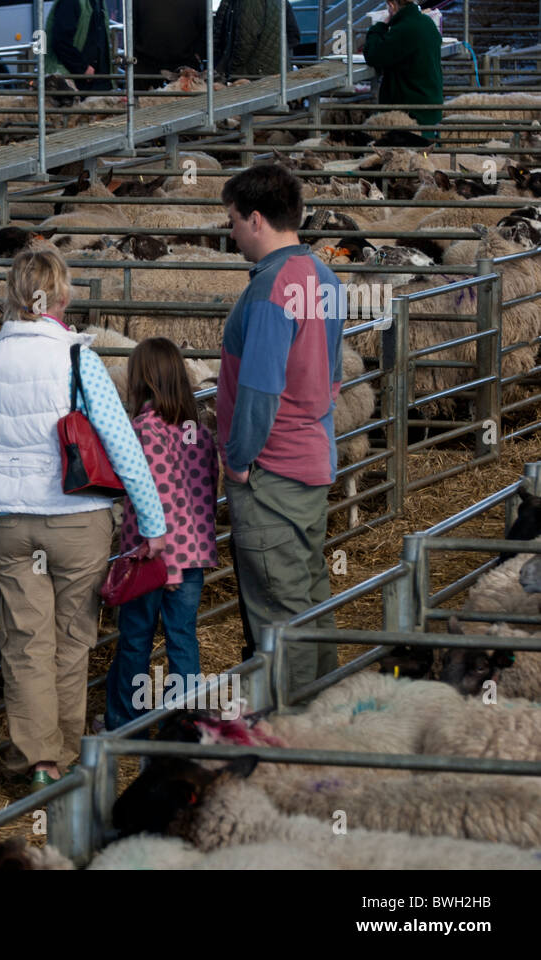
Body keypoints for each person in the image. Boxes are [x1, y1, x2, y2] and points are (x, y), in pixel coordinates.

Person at [0, 248, 165, 793]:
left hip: (12, 525)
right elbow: (121, 443)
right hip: (78, 519)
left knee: (26, 642)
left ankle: (36, 760)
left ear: (12, 294)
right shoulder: (78, 360)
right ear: (63, 297)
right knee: (73, 640)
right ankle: (68, 758)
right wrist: (151, 519)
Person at [216, 163, 344, 690]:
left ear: (254, 218)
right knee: (309, 595)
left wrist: (240, 459)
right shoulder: (325, 274)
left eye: (232, 220)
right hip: (312, 459)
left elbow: (261, 389)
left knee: (278, 610)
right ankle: (324, 712)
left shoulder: (271, 289)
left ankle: (288, 737)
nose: (230, 232)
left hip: (272, 473)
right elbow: (332, 377)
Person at [103, 337, 220, 729]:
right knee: (182, 637)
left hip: (152, 556)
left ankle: (125, 722)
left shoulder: (144, 431)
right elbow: (205, 490)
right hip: (192, 555)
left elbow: (163, 493)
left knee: (136, 638)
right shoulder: (197, 430)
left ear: (143, 380)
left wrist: (166, 565)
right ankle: (184, 725)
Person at [361, 0, 444, 135]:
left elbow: (373, 55)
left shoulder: (405, 29)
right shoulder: (427, 23)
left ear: (392, 4)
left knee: (406, 154)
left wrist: (380, 26)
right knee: (426, 154)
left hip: (409, 115)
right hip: (429, 108)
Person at [213, 0, 301, 80]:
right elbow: (293, 34)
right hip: (273, 72)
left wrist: (230, 70)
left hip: (255, 74)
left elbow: (244, 43)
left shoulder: (248, 3)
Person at [44, 0, 115, 91]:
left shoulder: (99, 2)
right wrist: (83, 68)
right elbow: (60, 41)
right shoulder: (70, 3)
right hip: (75, 83)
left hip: (97, 81)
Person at [132, 0, 208, 83]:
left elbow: (206, 27)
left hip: (185, 66)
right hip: (145, 63)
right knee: (140, 94)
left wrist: (198, 54)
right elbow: (131, 24)